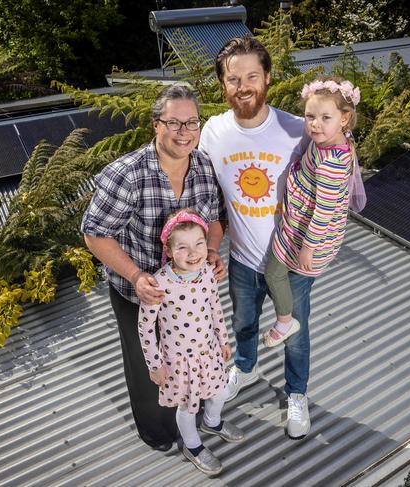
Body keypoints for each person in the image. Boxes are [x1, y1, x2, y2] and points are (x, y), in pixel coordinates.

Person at [81, 85, 226, 452]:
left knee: (191, 356)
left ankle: (193, 414)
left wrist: (210, 250)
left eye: (191, 122)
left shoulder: (205, 166)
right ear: (155, 125)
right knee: (149, 367)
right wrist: (134, 276)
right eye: (174, 122)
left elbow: (215, 220)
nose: (184, 131)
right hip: (139, 293)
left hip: (189, 296)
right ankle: (159, 433)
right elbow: (95, 234)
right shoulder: (126, 174)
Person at [198, 34, 315, 439]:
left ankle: (296, 393)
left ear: (267, 77)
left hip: (291, 262)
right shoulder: (211, 132)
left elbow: (333, 187)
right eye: (234, 79)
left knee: (296, 333)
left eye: (252, 76)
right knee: (244, 322)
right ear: (222, 84)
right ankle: (245, 368)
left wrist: (317, 246)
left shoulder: (297, 130)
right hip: (243, 261)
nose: (243, 86)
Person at [138, 208, 244, 476]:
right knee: (188, 405)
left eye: (199, 243)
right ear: (169, 250)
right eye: (182, 247)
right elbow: (145, 328)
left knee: (220, 392)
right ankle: (192, 445)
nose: (194, 252)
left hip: (208, 352)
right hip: (179, 361)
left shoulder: (207, 271)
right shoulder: (159, 284)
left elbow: (215, 306)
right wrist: (154, 365)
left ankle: (212, 422)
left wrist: (223, 339)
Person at [262, 76, 365, 348]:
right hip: (298, 225)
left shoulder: (332, 163)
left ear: (345, 118)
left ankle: (286, 322)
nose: (315, 124)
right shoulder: (332, 141)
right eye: (310, 116)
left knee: (274, 274)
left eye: (325, 118)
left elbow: (323, 211)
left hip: (305, 236)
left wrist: (308, 248)